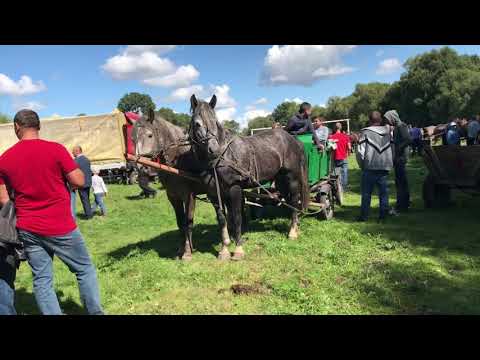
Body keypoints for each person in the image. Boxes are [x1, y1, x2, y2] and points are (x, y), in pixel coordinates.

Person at [0, 109, 103, 315]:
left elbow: (3, 200)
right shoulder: (55, 150)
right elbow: (79, 181)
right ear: (38, 126)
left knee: (42, 279)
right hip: (60, 226)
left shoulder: (5, 158)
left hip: (28, 228)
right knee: (84, 269)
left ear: (17, 127)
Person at [356, 111, 394, 222]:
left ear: (370, 120)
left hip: (369, 167)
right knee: (383, 194)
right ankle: (383, 216)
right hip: (384, 167)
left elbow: (360, 152)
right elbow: (392, 149)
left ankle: (364, 216)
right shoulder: (388, 132)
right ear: (380, 120)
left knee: (367, 194)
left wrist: (362, 165)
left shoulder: (365, 132)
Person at [384, 110, 412, 215]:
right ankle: (402, 203)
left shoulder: (401, 126)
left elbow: (408, 139)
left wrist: (399, 148)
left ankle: (403, 204)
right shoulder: (397, 127)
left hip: (401, 158)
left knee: (401, 182)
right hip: (398, 157)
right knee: (399, 181)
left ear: (392, 117)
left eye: (387, 119)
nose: (386, 121)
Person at [328, 122, 351, 191]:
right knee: (344, 172)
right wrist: (348, 153)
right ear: (340, 128)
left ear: (335, 128)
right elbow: (349, 147)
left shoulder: (331, 137)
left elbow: (330, 149)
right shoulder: (346, 136)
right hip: (344, 157)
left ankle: (337, 187)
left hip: (335, 158)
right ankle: (344, 188)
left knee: (336, 173)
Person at [72, 146, 93, 219]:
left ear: (78, 151)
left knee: (84, 200)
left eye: (73, 151)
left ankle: (88, 215)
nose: (72, 153)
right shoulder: (86, 159)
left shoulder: (76, 161)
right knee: (87, 199)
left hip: (81, 183)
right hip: (88, 182)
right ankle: (89, 213)